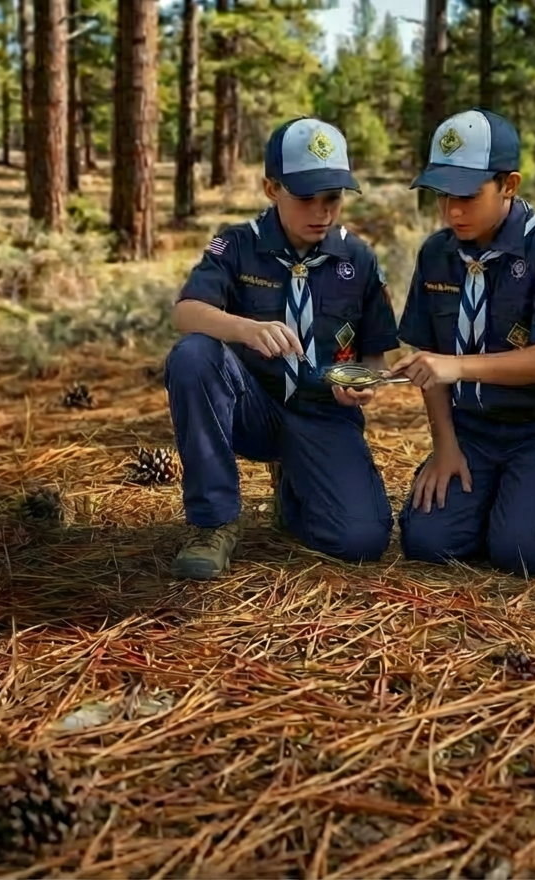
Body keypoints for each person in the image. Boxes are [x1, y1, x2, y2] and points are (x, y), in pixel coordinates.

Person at [164, 117, 400, 579]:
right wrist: (244, 328)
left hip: (323, 414)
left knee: (361, 541)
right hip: (252, 408)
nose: (321, 212)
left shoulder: (359, 259)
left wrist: (366, 384)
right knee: (193, 354)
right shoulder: (236, 244)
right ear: (272, 188)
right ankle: (214, 524)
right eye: (306, 198)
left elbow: (376, 353)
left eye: (332, 199)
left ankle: (295, 491)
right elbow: (186, 312)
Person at [390, 108, 535, 577]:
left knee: (523, 553)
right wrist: (445, 445)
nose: (453, 210)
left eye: (468, 197)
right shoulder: (438, 253)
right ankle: (503, 498)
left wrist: (459, 366)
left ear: (509, 185)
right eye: (442, 196)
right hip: (471, 430)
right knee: (427, 543)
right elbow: (431, 365)